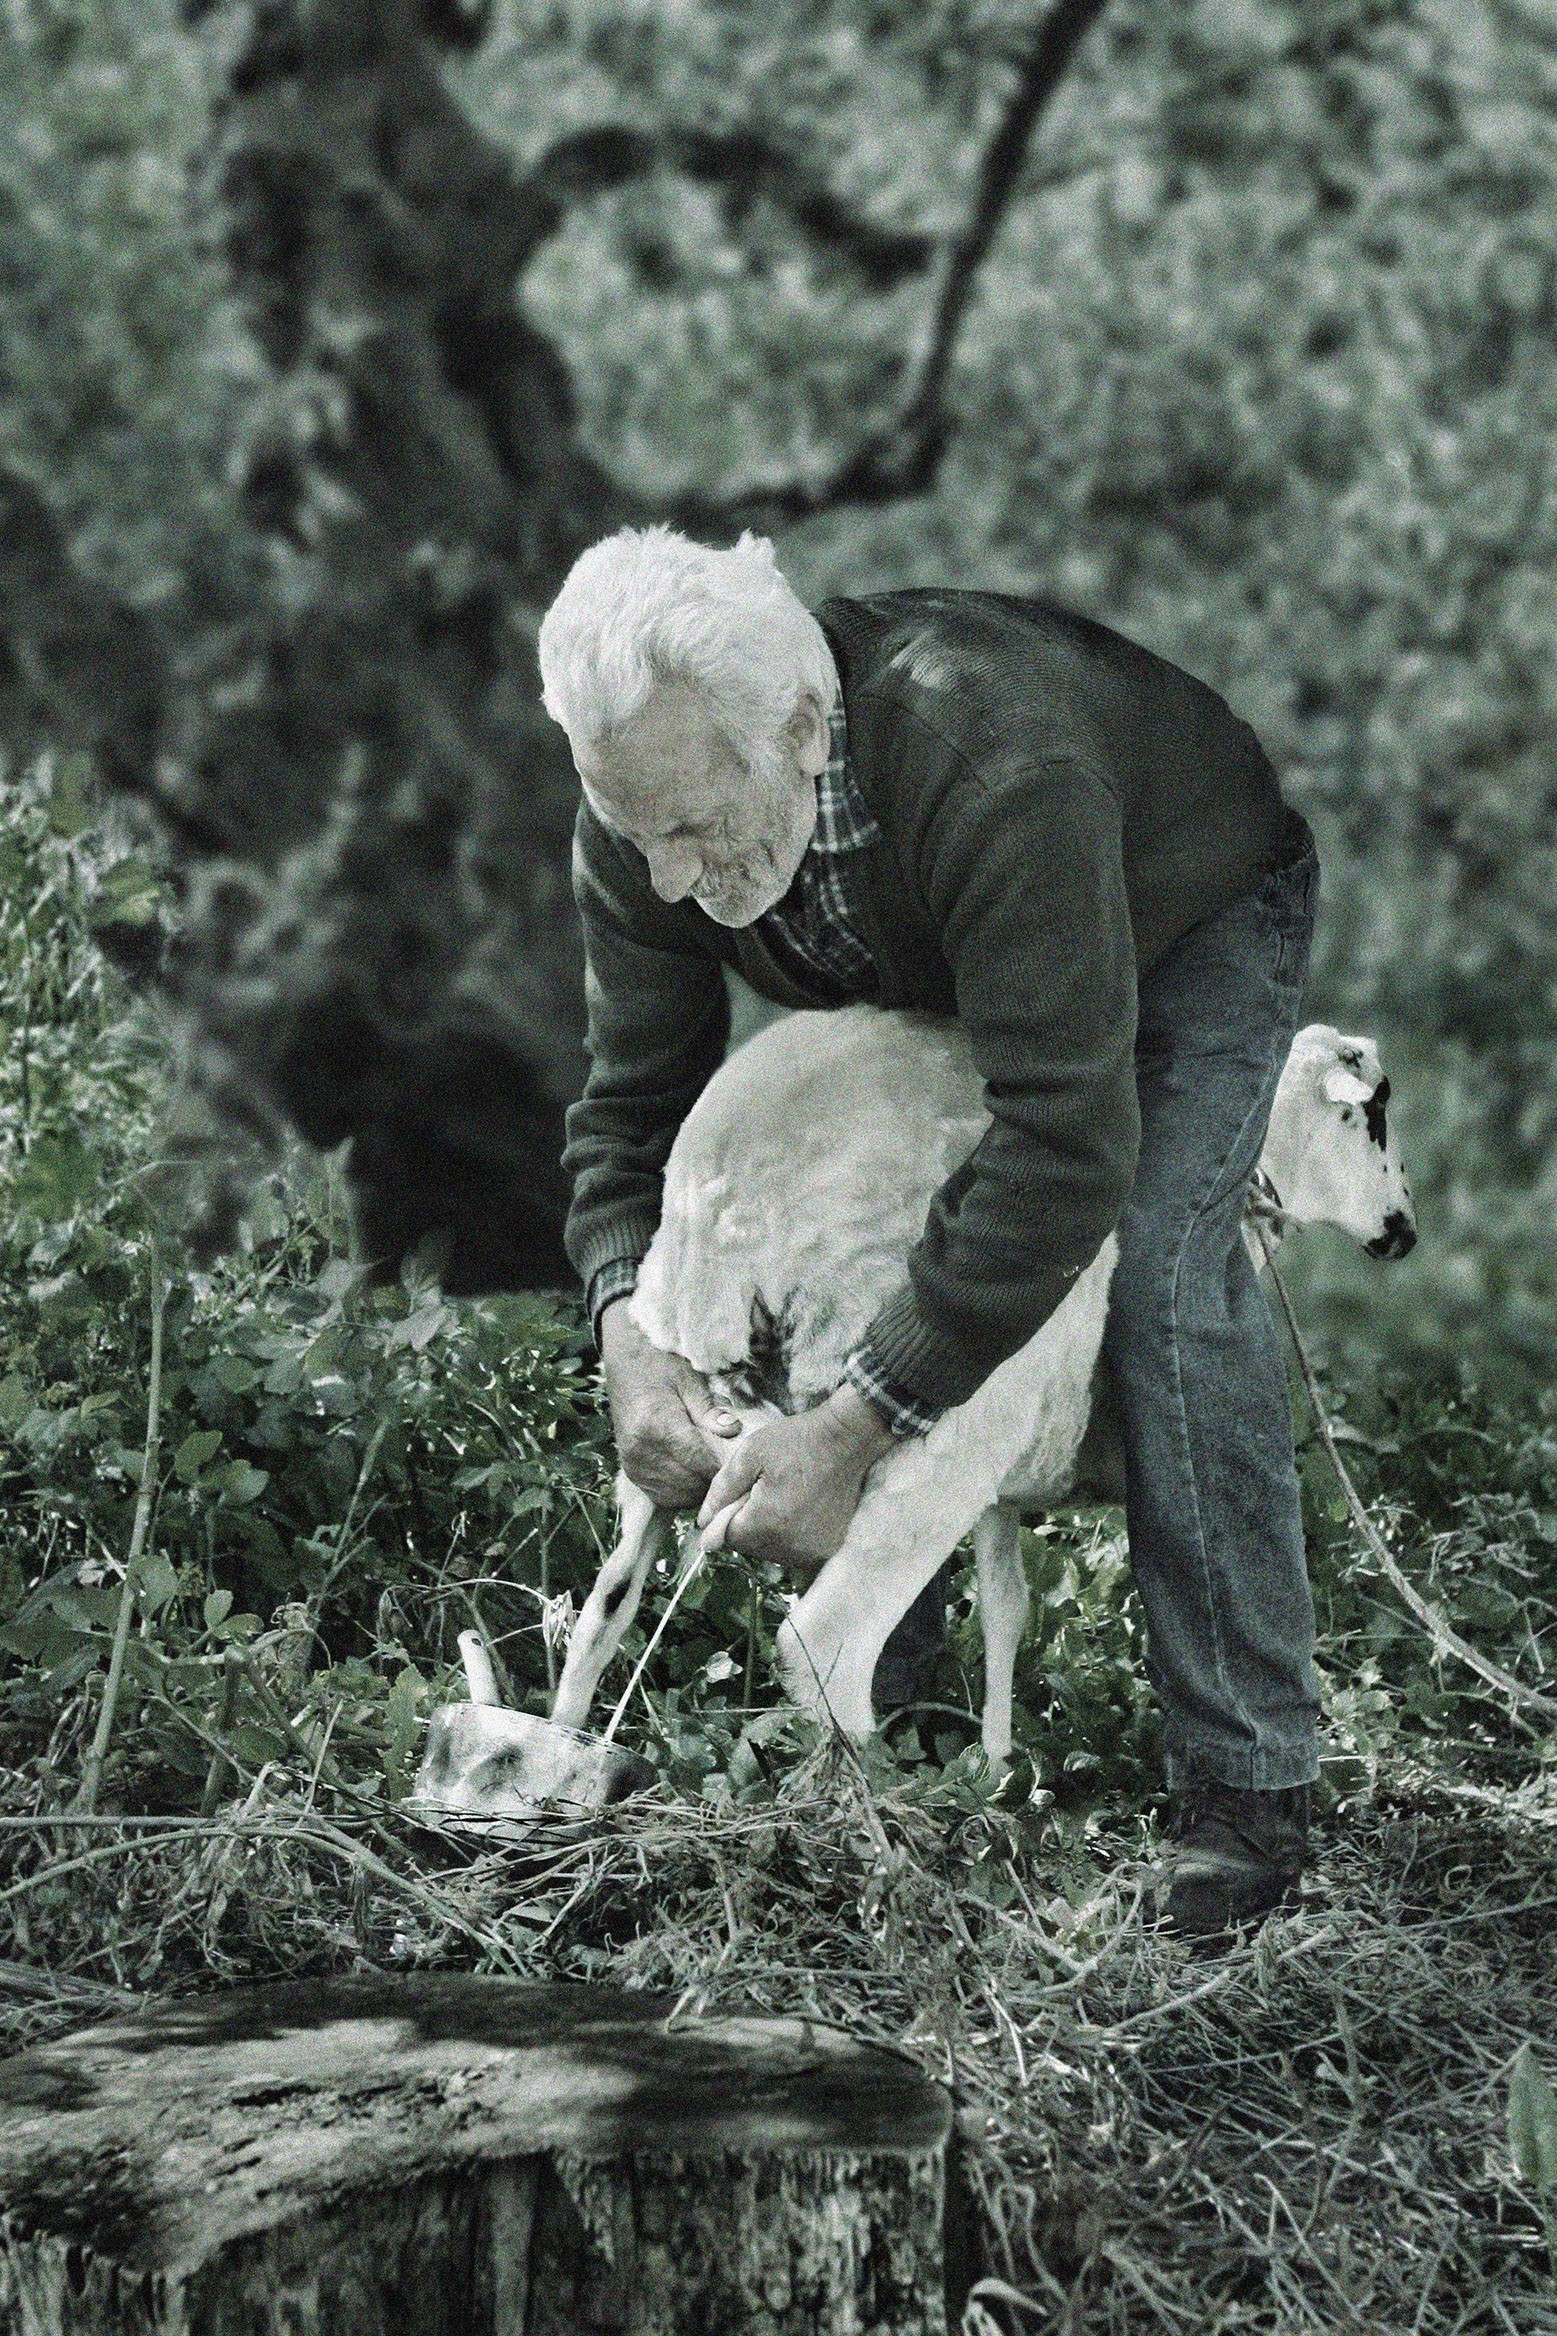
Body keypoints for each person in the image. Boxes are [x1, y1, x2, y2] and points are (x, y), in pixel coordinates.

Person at [536, 525, 1322, 1938]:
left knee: (1154, 1268)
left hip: (1181, 909)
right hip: (950, 933)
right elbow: (629, 1108)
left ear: (794, 728)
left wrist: (845, 1432)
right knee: (884, 1256)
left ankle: (1242, 1789)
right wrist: (627, 1334)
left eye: (689, 831)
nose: (660, 880)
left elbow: (1062, 1143)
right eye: (627, 828)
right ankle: (897, 1745)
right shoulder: (651, 796)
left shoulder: (993, 768)